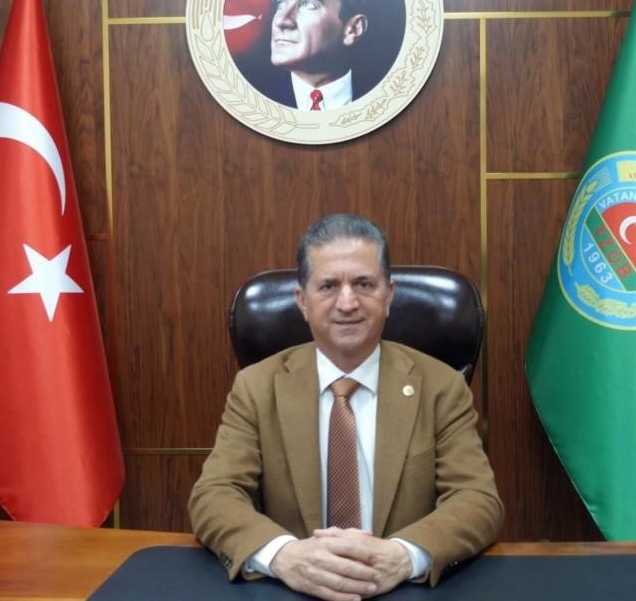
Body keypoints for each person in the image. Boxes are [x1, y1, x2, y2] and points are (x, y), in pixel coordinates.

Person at [189, 214, 504, 600]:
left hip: (402, 591)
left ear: (389, 296)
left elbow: (477, 499)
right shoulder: (256, 387)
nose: (348, 302)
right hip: (292, 592)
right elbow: (215, 494)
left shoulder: (442, 387)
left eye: (364, 284)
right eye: (328, 286)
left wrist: (403, 556)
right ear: (302, 302)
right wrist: (283, 556)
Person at [262, 0, 369, 110]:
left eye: (309, 4)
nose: (282, 21)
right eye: (281, 3)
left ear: (353, 29)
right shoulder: (252, 97)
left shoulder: (382, 93)